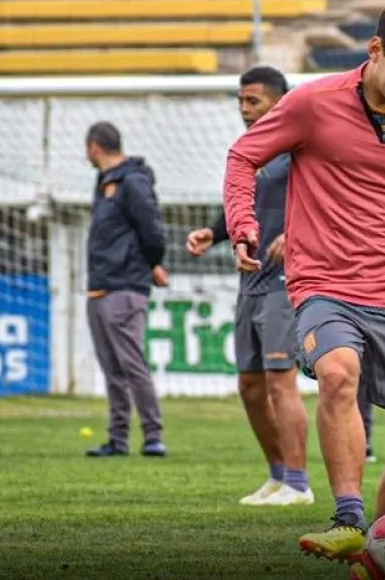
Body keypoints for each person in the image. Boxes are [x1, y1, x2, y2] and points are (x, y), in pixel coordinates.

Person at [222, 0, 385, 571]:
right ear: (376, 51)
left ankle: (375, 552)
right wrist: (243, 226)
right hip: (324, 283)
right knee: (337, 372)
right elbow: (242, 158)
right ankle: (347, 519)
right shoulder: (311, 103)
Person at [186, 66, 313, 506]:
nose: (244, 109)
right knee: (250, 385)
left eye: (252, 101)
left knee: (281, 380)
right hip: (251, 279)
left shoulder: (301, 149)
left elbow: (327, 199)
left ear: (278, 102)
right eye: (240, 101)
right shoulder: (249, 152)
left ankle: (299, 483)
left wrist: (298, 233)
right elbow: (246, 204)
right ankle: (277, 476)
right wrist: (214, 232)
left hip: (286, 279)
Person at [84, 121, 169, 458]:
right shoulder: (104, 182)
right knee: (112, 369)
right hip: (99, 286)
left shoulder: (133, 182)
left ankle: (153, 436)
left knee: (132, 364)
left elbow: (152, 229)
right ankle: (117, 439)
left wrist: (153, 263)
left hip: (125, 285)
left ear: (94, 147)